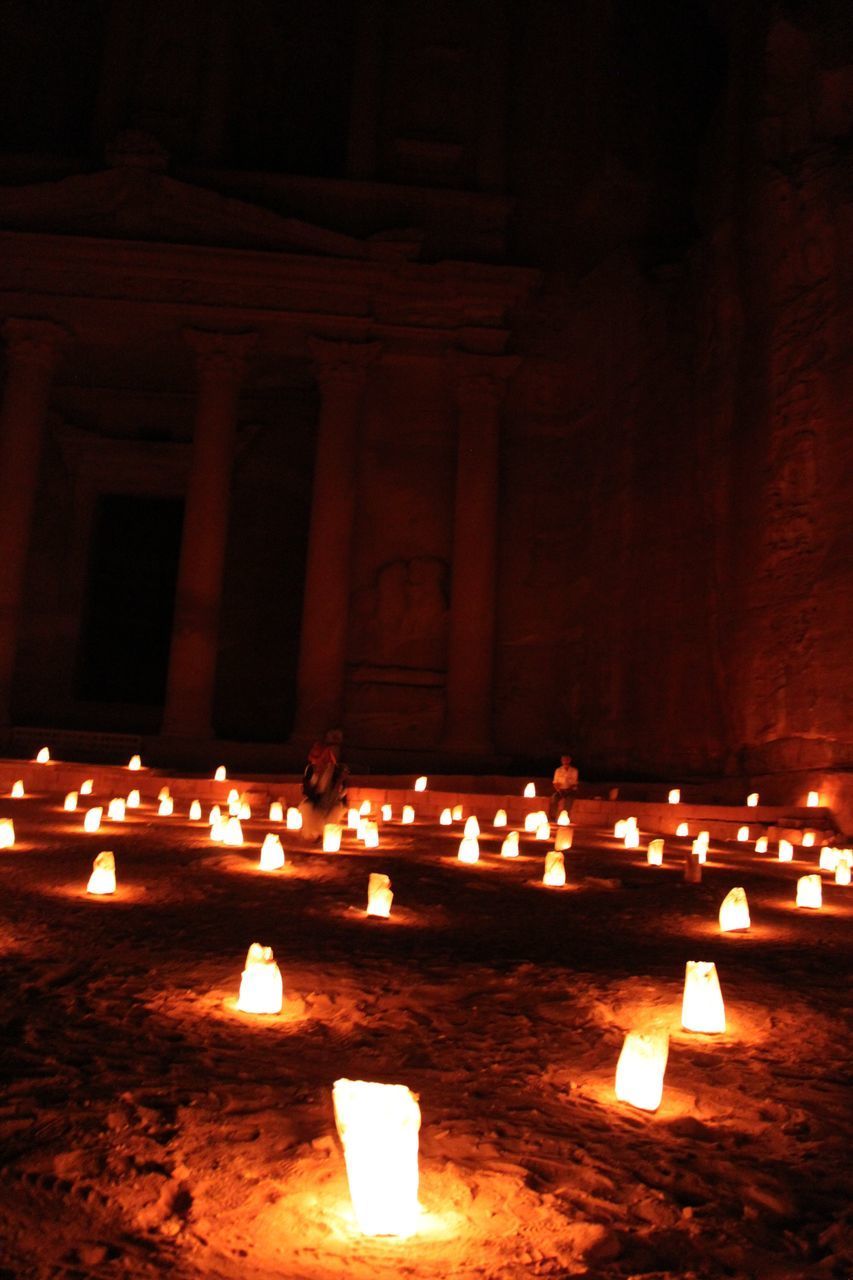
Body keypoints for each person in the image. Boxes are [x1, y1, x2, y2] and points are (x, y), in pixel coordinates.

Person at [301, 729, 349, 839]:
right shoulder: (310, 770)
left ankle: (327, 834)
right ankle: (314, 833)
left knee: (333, 811)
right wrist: (316, 777)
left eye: (320, 758)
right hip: (316, 801)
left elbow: (341, 793)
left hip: (333, 802)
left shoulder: (337, 770)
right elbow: (307, 791)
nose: (316, 762)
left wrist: (339, 783)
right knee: (306, 807)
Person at [550, 753, 579, 820]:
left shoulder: (574, 771)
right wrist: (559, 790)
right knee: (554, 798)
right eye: (564, 760)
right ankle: (552, 817)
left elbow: (575, 783)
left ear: (569, 760)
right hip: (560, 790)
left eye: (567, 760)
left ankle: (565, 818)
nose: (565, 761)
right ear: (561, 761)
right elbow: (555, 783)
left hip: (570, 791)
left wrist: (568, 790)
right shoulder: (558, 770)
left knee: (569, 801)